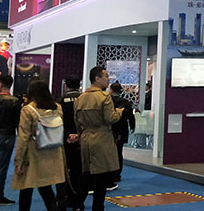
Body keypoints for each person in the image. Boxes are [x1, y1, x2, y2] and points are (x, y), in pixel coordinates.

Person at [11, 80, 66, 211]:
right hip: (52, 152)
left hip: (33, 154)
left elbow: (23, 137)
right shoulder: (57, 108)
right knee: (46, 189)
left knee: (26, 189)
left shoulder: (28, 110)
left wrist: (18, 161)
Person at [75, 66, 123, 211]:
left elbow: (77, 121)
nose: (108, 79)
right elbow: (110, 118)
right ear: (97, 78)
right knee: (102, 178)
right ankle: (98, 207)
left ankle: (78, 204)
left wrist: (80, 136)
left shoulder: (80, 98)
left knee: (86, 174)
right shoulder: (104, 97)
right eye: (106, 76)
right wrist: (119, 112)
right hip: (102, 139)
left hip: (86, 138)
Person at [0, 74, 21, 206]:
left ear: (0, 84)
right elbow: (18, 123)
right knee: (2, 167)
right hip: (8, 136)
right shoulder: (15, 102)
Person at [56, 74, 84, 211]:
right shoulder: (85, 99)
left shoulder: (60, 101)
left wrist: (67, 135)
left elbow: (56, 121)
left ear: (66, 85)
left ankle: (64, 199)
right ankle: (78, 202)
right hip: (82, 139)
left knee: (63, 171)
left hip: (64, 139)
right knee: (79, 171)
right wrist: (78, 135)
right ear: (79, 85)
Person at [108, 82, 135, 188]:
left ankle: (109, 174)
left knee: (108, 154)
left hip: (109, 131)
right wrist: (132, 126)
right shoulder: (126, 102)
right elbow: (131, 117)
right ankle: (117, 174)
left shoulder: (107, 101)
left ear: (111, 90)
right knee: (119, 153)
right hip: (122, 130)